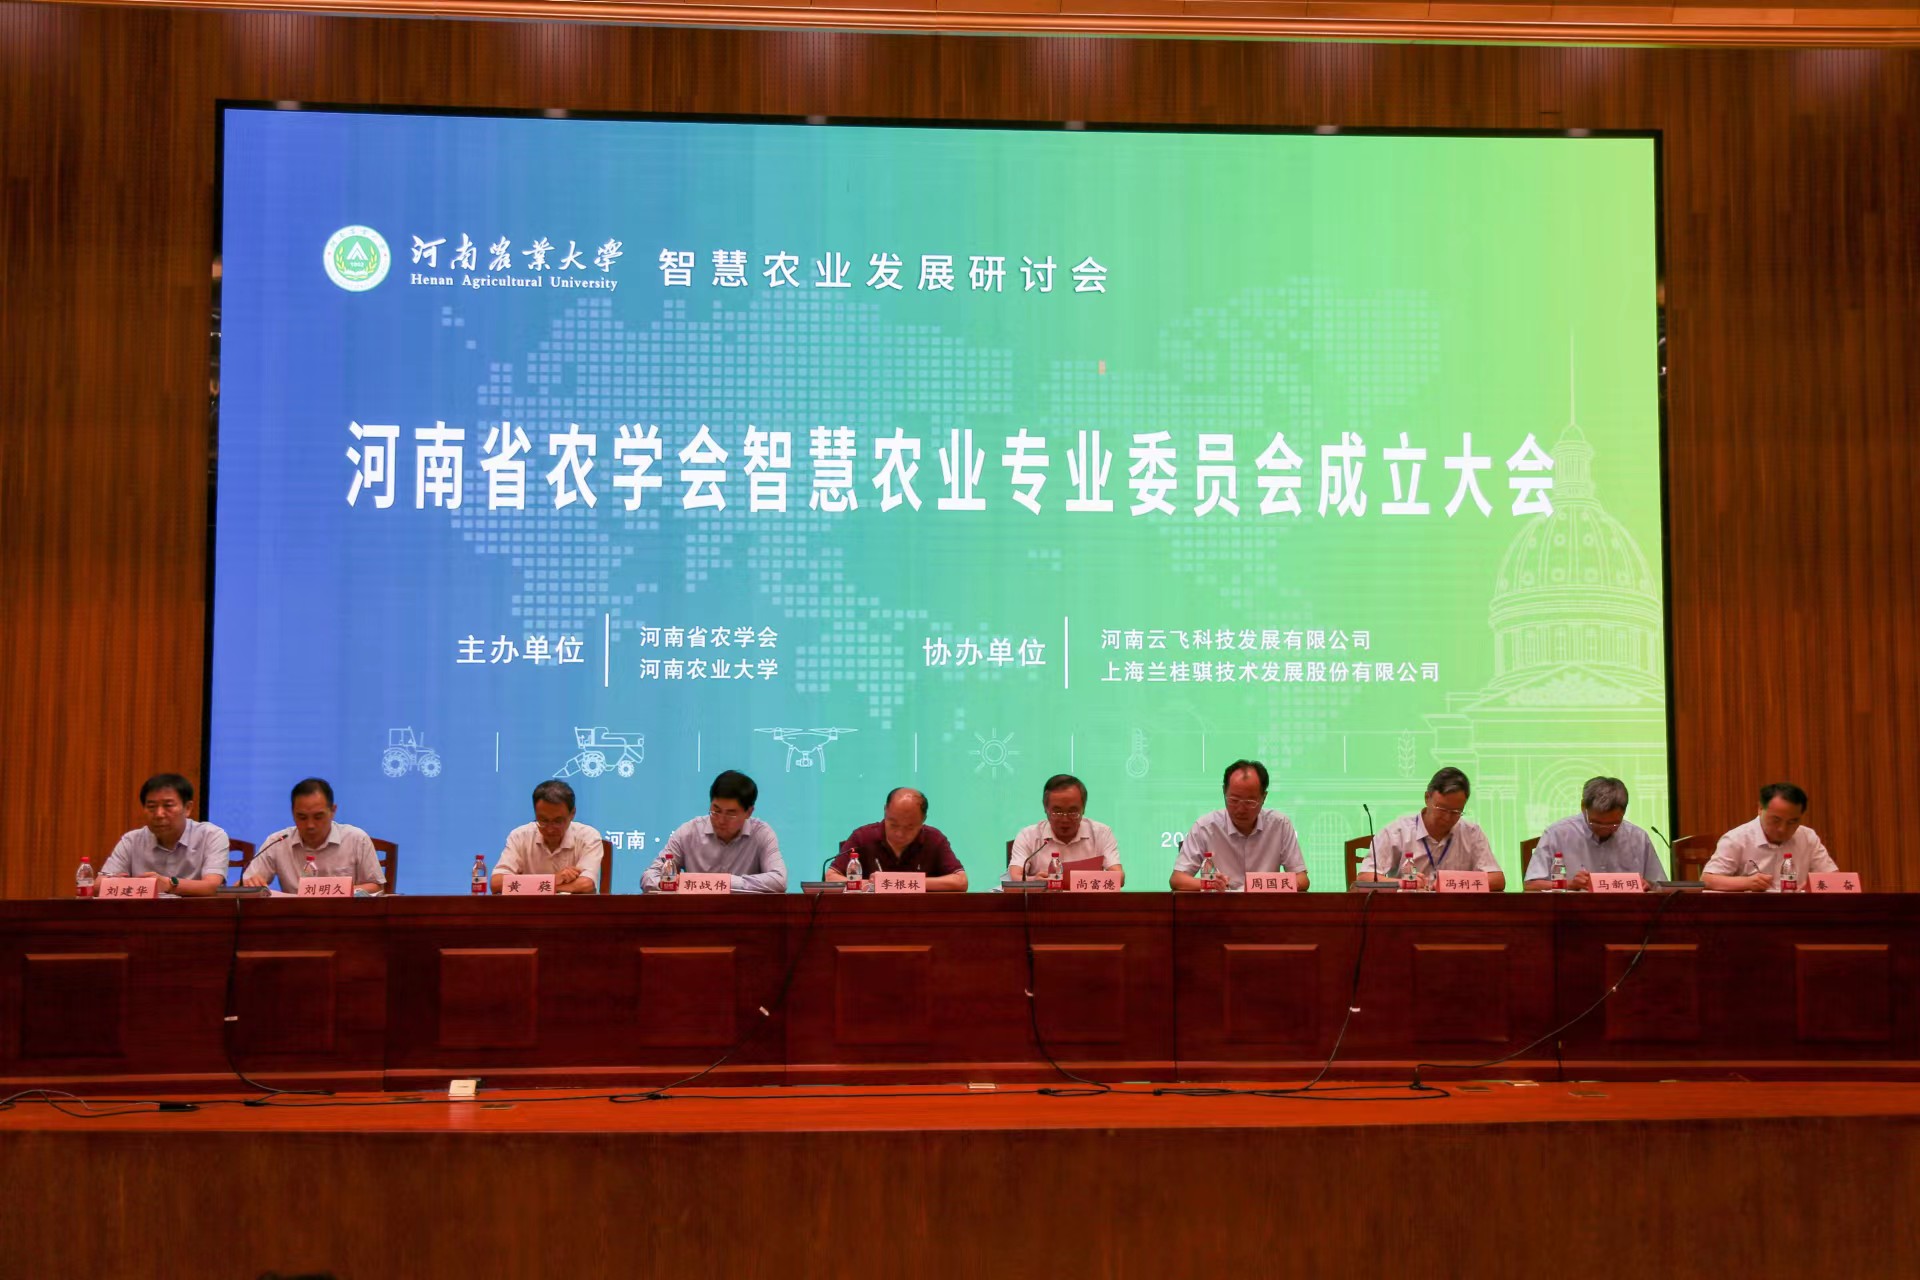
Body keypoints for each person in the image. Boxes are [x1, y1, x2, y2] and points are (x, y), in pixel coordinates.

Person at [1358, 766, 1505, 890]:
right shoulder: (1397, 832)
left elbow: (1497, 880)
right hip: (1407, 909)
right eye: (1442, 809)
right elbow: (1365, 878)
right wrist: (1404, 883)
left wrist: (1451, 883)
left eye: (1456, 812)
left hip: (1456, 911)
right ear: (1427, 798)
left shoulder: (1471, 833)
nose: (1447, 817)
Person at [1171, 759, 1307, 891]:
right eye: (1234, 800)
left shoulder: (1280, 825)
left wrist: (1264, 884)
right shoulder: (1205, 827)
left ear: (1263, 797)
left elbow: (1302, 879)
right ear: (1224, 792)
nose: (1241, 809)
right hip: (1221, 904)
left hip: (1265, 904)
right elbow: (1177, 879)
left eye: (1249, 802)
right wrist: (1209, 883)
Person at [641, 770, 786, 892]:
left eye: (730, 814)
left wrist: (723, 882)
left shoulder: (762, 834)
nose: (721, 820)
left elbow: (779, 880)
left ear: (749, 812)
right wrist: (673, 883)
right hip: (695, 913)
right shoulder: (688, 833)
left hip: (744, 914)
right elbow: (649, 876)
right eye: (716, 811)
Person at [243, 777, 385, 894]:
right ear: (292, 813)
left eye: (318, 817)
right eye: (302, 817)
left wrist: (339, 892)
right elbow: (242, 886)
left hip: (344, 915)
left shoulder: (356, 839)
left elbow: (377, 886)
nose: (310, 825)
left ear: (333, 811)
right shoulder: (278, 841)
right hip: (295, 917)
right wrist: (250, 884)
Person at [1523, 776, 1664, 891]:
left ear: (1624, 812)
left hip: (1626, 913)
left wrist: (1648, 885)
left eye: (1613, 824)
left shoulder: (1638, 837)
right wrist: (1569, 884)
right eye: (1596, 823)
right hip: (1572, 914)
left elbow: (1661, 886)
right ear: (1583, 807)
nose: (1604, 829)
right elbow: (1531, 885)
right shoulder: (1557, 834)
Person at [101, 773, 230, 897]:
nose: (159, 814)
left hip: (196, 911)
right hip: (144, 911)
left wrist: (168, 884)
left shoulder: (211, 835)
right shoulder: (132, 840)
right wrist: (134, 884)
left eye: (168, 806)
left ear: (188, 808)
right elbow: (98, 885)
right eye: (151, 807)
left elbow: (212, 886)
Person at [1702, 782, 1838, 892]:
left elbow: (1834, 878)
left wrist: (1813, 885)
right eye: (1776, 820)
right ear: (1760, 809)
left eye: (1792, 822)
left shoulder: (1807, 837)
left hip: (1797, 910)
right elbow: (1707, 880)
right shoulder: (1737, 839)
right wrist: (1746, 882)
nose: (1782, 829)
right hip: (1751, 911)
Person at [829, 787, 967, 890]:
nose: (900, 834)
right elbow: (831, 878)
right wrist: (867, 885)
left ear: (923, 819)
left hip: (920, 915)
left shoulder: (934, 839)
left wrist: (904, 882)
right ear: (885, 810)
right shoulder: (863, 837)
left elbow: (960, 881)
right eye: (893, 825)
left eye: (909, 827)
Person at [491, 779, 603, 894]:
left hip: (572, 906)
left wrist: (541, 887)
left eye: (558, 821)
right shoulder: (520, 836)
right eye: (543, 820)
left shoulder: (588, 836)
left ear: (572, 814)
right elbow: (496, 883)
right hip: (528, 905)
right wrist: (554, 879)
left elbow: (586, 885)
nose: (550, 829)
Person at [1007, 773, 1122, 885]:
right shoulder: (1028, 836)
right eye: (1057, 812)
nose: (1065, 819)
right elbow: (1015, 876)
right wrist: (1034, 881)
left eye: (1073, 812)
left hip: (1087, 898)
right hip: (1042, 898)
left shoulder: (1101, 834)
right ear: (1045, 808)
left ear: (1083, 808)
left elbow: (1119, 877)